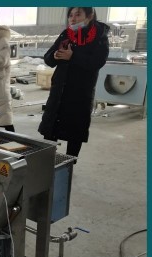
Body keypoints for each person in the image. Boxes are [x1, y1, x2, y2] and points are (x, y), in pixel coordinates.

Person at [38, 7, 109, 158]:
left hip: (80, 91)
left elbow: (97, 62)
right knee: (51, 127)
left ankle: (70, 162)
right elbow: (48, 58)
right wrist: (54, 56)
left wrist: (73, 56)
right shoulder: (67, 34)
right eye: (70, 15)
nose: (73, 19)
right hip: (59, 90)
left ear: (89, 16)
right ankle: (48, 160)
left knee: (75, 130)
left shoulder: (99, 36)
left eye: (78, 14)